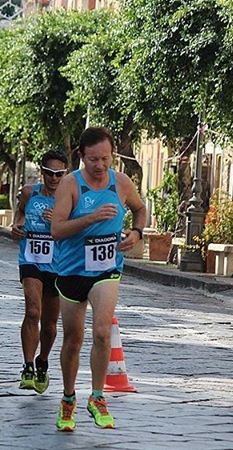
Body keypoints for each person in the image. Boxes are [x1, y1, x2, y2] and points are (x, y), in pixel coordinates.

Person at [50, 127, 146, 432]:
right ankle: (68, 399)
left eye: (105, 158)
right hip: (71, 271)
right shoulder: (70, 185)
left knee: (103, 332)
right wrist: (91, 218)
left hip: (106, 269)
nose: (100, 165)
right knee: (73, 340)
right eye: (94, 159)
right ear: (81, 156)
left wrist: (137, 232)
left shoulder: (121, 182)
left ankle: (97, 396)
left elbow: (141, 209)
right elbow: (57, 230)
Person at [11, 150, 67, 394]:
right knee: (33, 311)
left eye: (59, 174)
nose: (54, 179)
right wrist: (16, 224)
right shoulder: (28, 193)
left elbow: (78, 230)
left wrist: (60, 221)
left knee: (50, 323)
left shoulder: (69, 199)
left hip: (58, 264)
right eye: (50, 173)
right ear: (42, 172)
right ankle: (28, 366)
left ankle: (43, 360)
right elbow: (20, 213)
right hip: (31, 258)